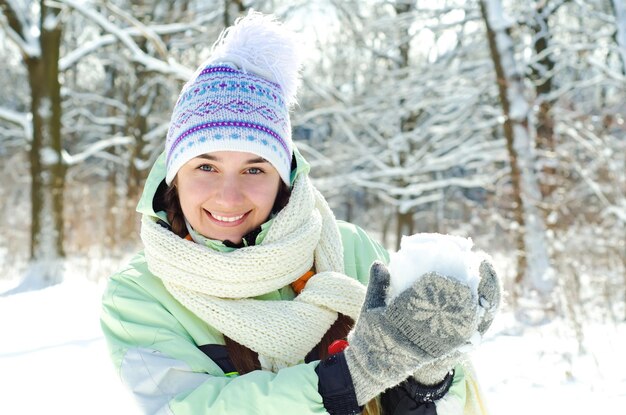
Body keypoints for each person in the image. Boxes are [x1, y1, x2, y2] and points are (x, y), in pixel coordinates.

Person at [101, 12, 501, 415]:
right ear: (175, 176)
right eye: (206, 167)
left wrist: (429, 375)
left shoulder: (351, 250)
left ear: (284, 177)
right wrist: (352, 376)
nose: (228, 195)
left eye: (255, 169)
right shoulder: (139, 295)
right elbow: (184, 408)